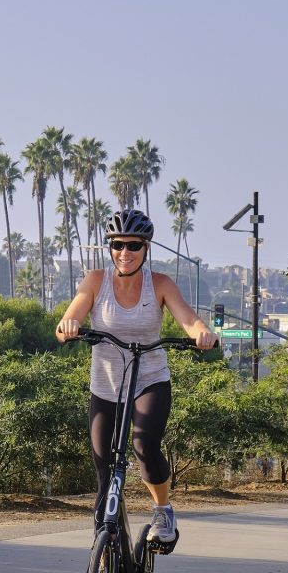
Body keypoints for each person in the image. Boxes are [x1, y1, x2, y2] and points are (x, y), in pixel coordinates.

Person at [55, 208, 216, 544]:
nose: (125, 253)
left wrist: (202, 332)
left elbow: (188, 318)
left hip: (149, 381)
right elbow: (69, 318)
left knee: (143, 443)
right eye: (117, 245)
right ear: (110, 248)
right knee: (104, 468)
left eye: (133, 245)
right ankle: (104, 553)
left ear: (146, 249)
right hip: (106, 385)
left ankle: (162, 510)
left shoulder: (159, 284)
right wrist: (68, 325)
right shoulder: (95, 281)